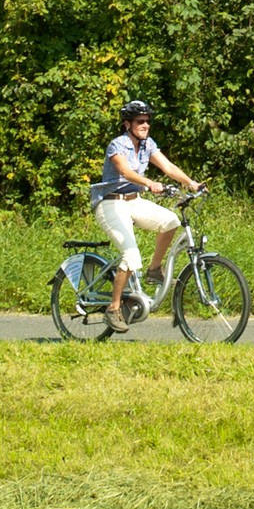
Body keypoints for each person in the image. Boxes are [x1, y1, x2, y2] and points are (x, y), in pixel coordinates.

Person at [89, 99, 196, 334]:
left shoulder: (148, 145)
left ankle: (154, 269)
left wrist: (191, 183)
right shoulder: (117, 145)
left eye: (148, 121)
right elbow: (125, 171)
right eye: (140, 121)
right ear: (128, 124)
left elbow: (168, 167)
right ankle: (114, 308)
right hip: (111, 204)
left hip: (133, 201)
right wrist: (149, 182)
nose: (145, 125)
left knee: (171, 221)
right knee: (130, 253)